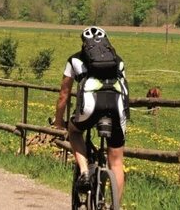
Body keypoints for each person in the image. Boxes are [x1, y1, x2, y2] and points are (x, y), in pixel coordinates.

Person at [55, 26, 129, 203]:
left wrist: (58, 121)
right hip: (117, 107)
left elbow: (64, 95)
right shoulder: (118, 60)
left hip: (90, 107)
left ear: (84, 44)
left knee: (74, 131)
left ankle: (84, 172)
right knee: (116, 162)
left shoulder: (74, 59)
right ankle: (115, 205)